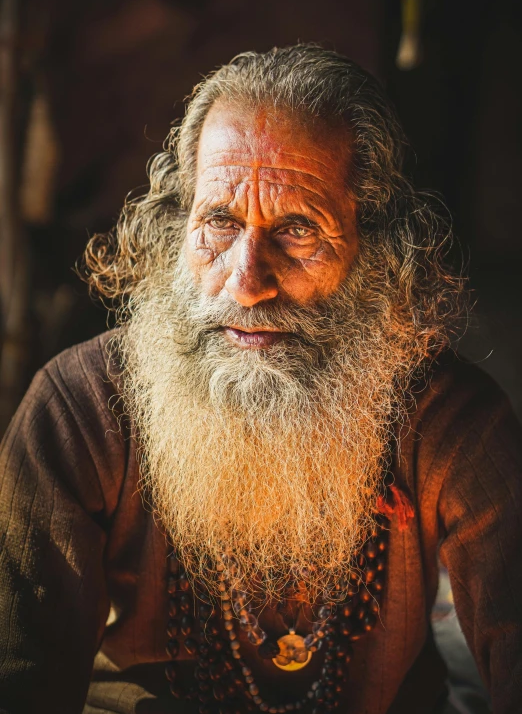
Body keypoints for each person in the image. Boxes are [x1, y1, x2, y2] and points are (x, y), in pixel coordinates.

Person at [0, 45, 521, 714]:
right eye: (219, 221)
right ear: (177, 229)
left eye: (298, 230)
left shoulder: (452, 429)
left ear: (378, 253)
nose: (246, 283)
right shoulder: (76, 413)